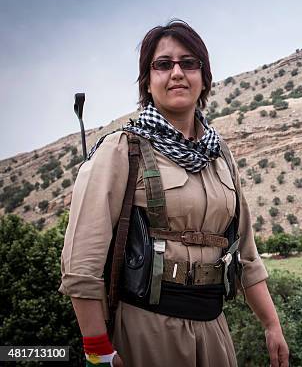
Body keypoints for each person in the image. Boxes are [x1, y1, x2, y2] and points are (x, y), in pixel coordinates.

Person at [59, 19, 289, 367]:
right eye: (163, 64)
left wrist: (272, 325)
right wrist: (98, 352)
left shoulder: (221, 155)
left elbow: (245, 255)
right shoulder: (122, 149)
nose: (177, 72)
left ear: (203, 78)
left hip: (214, 330)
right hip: (146, 328)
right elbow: (81, 264)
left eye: (189, 63)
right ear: (148, 82)